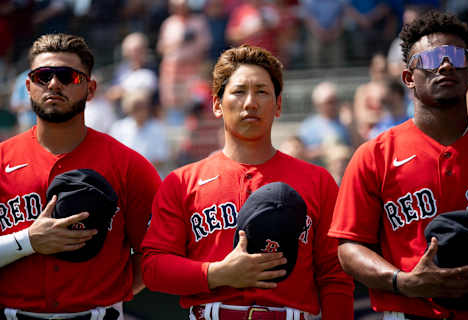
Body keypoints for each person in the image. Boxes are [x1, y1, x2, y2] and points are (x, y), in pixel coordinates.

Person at [141, 44, 354, 320]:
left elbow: (335, 277)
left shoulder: (318, 181)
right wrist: (217, 273)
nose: (250, 102)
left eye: (262, 92)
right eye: (239, 91)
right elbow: (154, 269)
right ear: (217, 104)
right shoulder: (181, 182)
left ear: (278, 105)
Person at [329, 10, 468, 319]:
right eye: (431, 59)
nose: (446, 64)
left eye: (455, 55)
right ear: (409, 78)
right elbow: (349, 248)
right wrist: (403, 282)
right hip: (407, 312)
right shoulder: (374, 154)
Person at [0, 33, 161, 320]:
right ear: (28, 86)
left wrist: (107, 296)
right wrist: (28, 241)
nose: (53, 84)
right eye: (42, 76)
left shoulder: (128, 165)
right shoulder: (2, 161)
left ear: (91, 89)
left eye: (68, 76)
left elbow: (154, 256)